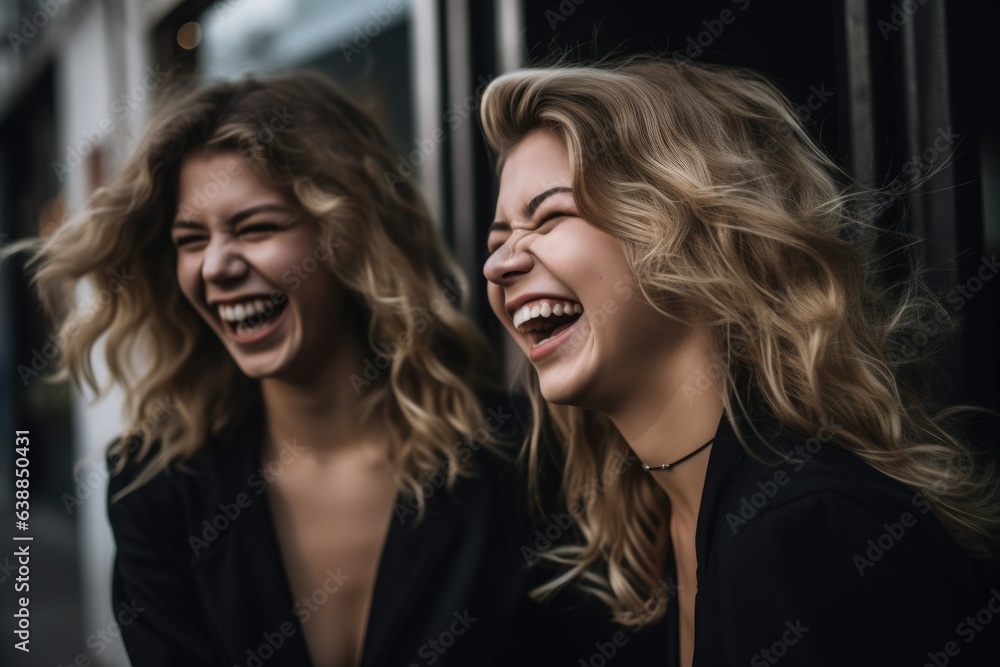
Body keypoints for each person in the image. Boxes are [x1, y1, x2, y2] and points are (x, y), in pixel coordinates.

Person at [14, 70, 641, 667]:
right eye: (191, 240)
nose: (216, 267)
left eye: (255, 227)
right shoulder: (156, 489)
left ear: (348, 236)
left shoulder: (522, 454)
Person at [480, 58, 1000, 667]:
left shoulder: (807, 528)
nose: (497, 266)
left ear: (695, 234)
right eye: (497, 241)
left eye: (549, 217)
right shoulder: (640, 541)